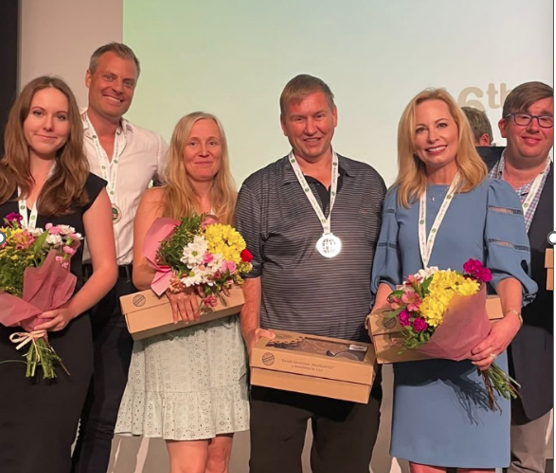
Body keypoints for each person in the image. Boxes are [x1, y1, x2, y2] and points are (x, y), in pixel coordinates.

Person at [370, 88, 537, 472]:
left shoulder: (493, 192)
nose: (433, 137)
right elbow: (388, 275)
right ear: (410, 140)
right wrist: (378, 326)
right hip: (418, 363)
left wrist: (510, 321)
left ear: (459, 130)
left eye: (442, 125)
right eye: (421, 129)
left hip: (478, 358)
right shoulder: (399, 198)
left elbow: (508, 271)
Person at [236, 74, 385, 473]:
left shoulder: (370, 182)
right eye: (298, 119)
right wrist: (251, 335)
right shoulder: (258, 189)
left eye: (318, 115)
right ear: (283, 125)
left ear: (334, 116)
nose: (310, 128)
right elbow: (249, 271)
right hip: (282, 361)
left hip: (353, 359)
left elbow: (386, 265)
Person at [115, 112, 249, 473]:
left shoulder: (236, 203)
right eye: (193, 143)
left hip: (224, 339)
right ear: (179, 150)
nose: (203, 151)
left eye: (212, 142)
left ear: (222, 150)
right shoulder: (158, 199)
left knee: (217, 462)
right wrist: (174, 283)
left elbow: (246, 270)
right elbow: (141, 273)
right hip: (176, 336)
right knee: (190, 464)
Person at [0, 76, 117, 473]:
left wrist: (67, 311)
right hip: (2, 339)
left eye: (60, 116)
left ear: (71, 127)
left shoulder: (87, 190)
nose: (48, 125)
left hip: (61, 341)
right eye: (39, 113)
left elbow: (105, 270)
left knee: (43, 456)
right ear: (21, 119)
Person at [71, 43, 168, 473]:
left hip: (124, 289)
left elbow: (183, 193)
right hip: (67, 283)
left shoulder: (151, 144)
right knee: (60, 405)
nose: (118, 88)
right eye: (109, 77)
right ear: (89, 78)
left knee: (103, 412)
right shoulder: (64, 135)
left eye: (128, 82)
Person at [488, 81, 553, 473]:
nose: (534, 127)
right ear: (503, 125)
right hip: (465, 344)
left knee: (524, 465)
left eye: (545, 119)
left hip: (535, 352)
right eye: (524, 117)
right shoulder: (467, 170)